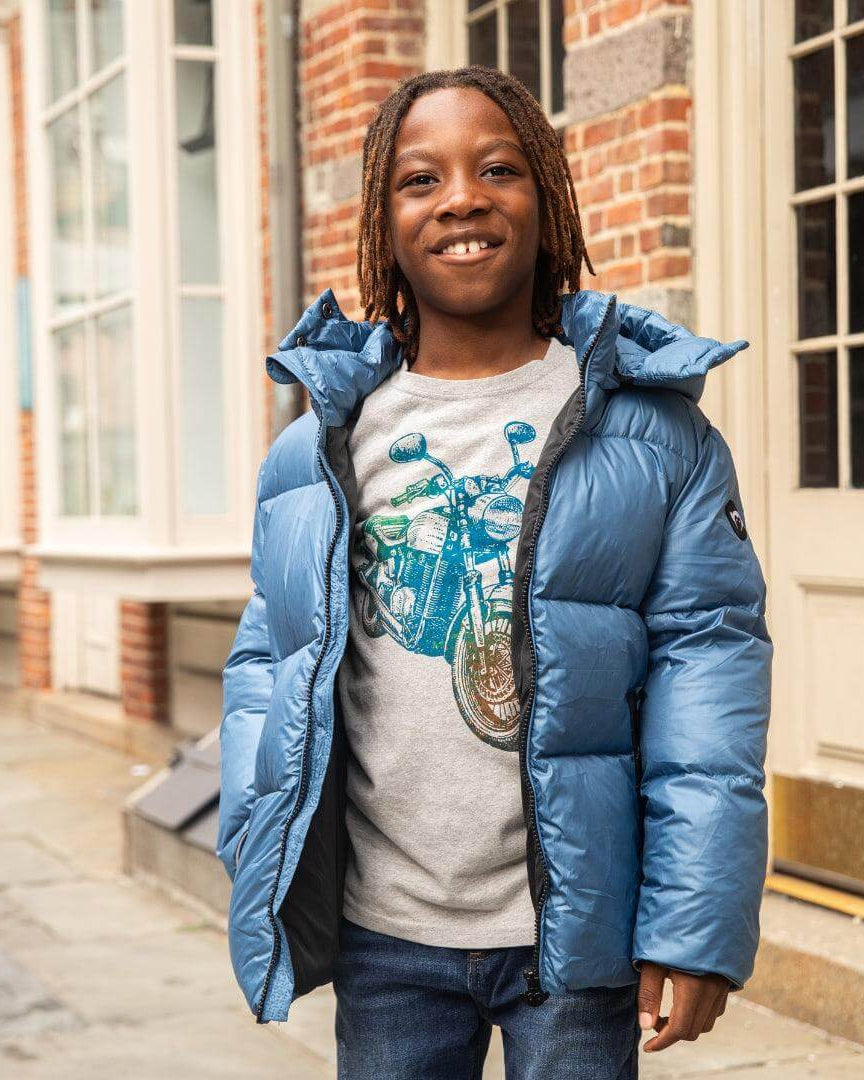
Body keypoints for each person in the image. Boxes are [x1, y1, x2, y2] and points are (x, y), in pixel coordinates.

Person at [217, 66, 773, 1079]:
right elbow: (269, 665)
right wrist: (254, 843)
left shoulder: (655, 433)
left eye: (500, 168)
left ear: (549, 200)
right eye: (420, 180)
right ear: (383, 225)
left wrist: (695, 923)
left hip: (573, 937)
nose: (463, 197)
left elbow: (711, 677)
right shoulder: (315, 449)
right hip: (386, 932)